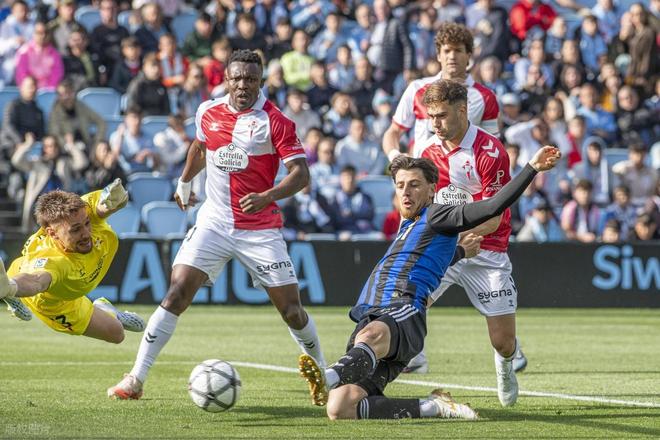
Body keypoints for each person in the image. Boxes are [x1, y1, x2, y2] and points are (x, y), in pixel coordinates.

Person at [107, 49, 327, 400]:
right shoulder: (208, 111)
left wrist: (268, 196)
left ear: (260, 82)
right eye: (237, 78)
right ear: (226, 79)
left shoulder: (276, 122)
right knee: (176, 293)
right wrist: (184, 182)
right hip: (215, 221)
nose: (243, 85)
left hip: (260, 228)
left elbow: (301, 175)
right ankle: (135, 378)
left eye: (251, 79)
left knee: (291, 310)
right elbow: (200, 147)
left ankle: (323, 374)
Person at [298, 146, 561, 417]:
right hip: (374, 313)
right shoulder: (410, 224)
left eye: (414, 185)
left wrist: (531, 167)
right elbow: (431, 261)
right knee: (340, 407)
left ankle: (327, 376)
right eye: (400, 185)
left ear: (432, 189)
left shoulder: (437, 214)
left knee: (370, 336)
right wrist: (460, 252)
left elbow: (492, 206)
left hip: (402, 308)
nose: (406, 192)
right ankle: (434, 407)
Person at [405, 80, 530, 389]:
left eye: (441, 116)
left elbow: (495, 217)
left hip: (488, 249)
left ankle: (505, 363)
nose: (434, 124)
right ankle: (405, 359)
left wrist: (462, 235)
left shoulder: (490, 151)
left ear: (462, 111)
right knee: (407, 303)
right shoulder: (427, 152)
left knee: (503, 342)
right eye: (431, 117)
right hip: (446, 246)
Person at [0, 181, 145, 343]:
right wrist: (11, 287)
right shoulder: (55, 261)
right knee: (117, 334)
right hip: (53, 299)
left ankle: (10, 290)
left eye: (87, 223)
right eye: (75, 230)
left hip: (34, 269)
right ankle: (11, 292)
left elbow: (103, 204)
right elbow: (37, 280)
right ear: (53, 234)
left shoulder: (80, 210)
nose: (86, 234)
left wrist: (117, 202)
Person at [383, 22, 499, 159]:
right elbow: (394, 131)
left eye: (458, 50)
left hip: (466, 171)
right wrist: (395, 156)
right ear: (438, 55)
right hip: (424, 170)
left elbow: (492, 147)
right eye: (447, 51)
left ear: (469, 55)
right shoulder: (417, 89)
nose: (452, 56)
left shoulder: (486, 97)